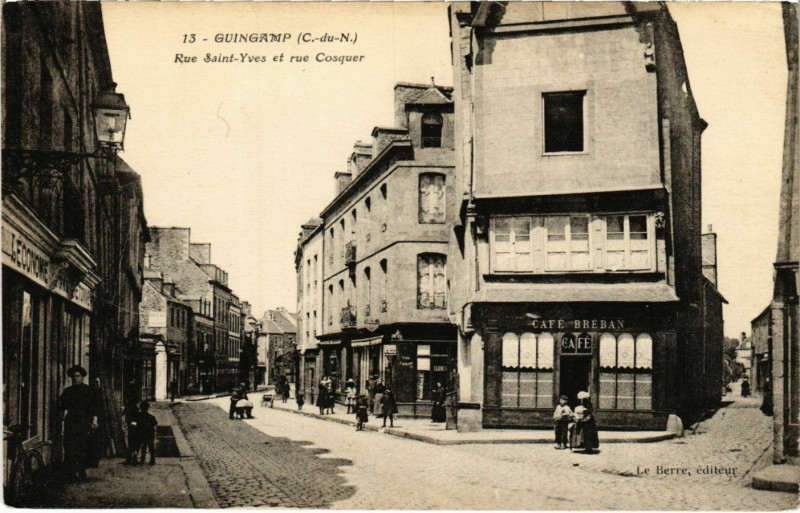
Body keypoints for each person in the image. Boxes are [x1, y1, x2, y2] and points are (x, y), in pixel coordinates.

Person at [59, 365, 99, 482]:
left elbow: (95, 407)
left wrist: (94, 420)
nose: (75, 378)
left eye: (77, 376)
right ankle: (71, 473)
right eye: (73, 377)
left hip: (84, 421)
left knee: (82, 447)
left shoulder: (88, 390)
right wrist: (62, 423)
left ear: (82, 377)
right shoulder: (68, 392)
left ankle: (81, 470)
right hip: (71, 421)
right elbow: (62, 407)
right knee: (69, 447)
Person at [135, 401, 158, 466]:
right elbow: (155, 423)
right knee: (150, 446)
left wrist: (137, 426)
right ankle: (152, 459)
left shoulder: (137, 416)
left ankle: (140, 458)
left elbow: (133, 423)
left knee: (140, 446)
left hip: (141, 433)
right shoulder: (150, 417)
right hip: (148, 434)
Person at [124, 400, 140, 465]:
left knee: (131, 442)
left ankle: (131, 456)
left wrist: (131, 424)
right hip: (134, 428)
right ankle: (133, 455)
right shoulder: (135, 409)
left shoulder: (128, 409)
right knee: (134, 442)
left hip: (132, 428)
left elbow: (131, 420)